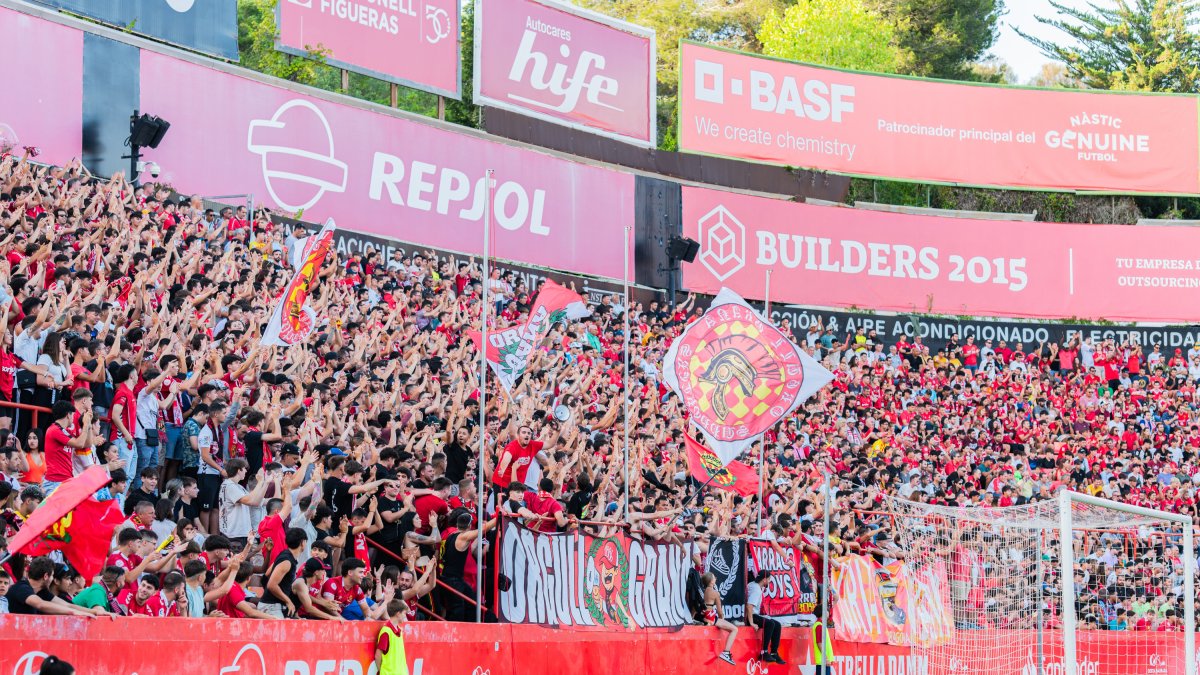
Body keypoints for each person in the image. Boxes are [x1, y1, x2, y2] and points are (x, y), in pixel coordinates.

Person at [745, 570, 785, 665]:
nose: (770, 581)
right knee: (770, 624)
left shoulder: (753, 585)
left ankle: (774, 652)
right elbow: (749, 606)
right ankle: (764, 652)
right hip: (751, 616)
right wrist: (751, 622)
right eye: (769, 579)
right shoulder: (756, 589)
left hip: (755, 614)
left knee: (777, 624)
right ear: (764, 580)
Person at [700, 572, 737, 665]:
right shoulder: (715, 593)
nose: (716, 578)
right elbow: (720, 612)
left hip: (703, 616)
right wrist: (722, 619)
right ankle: (726, 652)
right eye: (714, 577)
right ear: (711, 581)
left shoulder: (703, 591)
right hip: (711, 617)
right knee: (734, 629)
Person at [374, 598, 410, 675]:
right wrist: (382, 671)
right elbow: (378, 655)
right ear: (398, 613)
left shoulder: (399, 630)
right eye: (404, 613)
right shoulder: (386, 631)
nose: (405, 616)